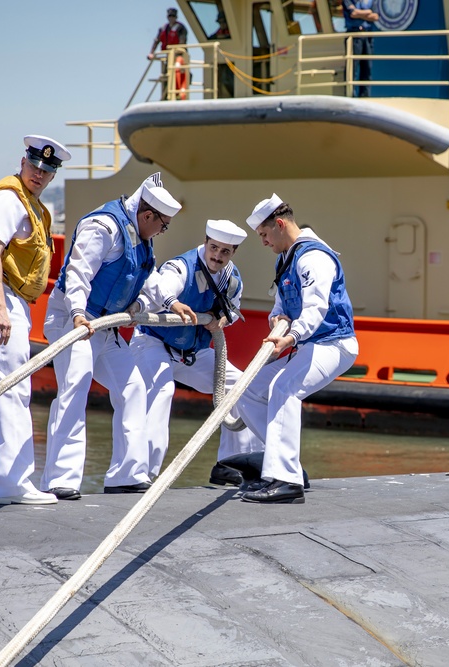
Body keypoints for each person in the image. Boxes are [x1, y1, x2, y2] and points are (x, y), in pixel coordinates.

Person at [41, 173, 195, 500]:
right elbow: (79, 272)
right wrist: (78, 314)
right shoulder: (104, 227)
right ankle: (59, 479)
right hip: (75, 320)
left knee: (134, 387)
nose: (162, 231)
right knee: (75, 387)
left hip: (105, 326)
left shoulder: (140, 235)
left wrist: (170, 302)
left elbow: (147, 275)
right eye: (163, 225)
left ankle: (126, 474)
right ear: (147, 215)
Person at [234, 194, 359, 504]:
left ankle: (286, 481)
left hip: (334, 344)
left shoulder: (312, 258)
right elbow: (281, 304)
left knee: (284, 389)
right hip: (309, 346)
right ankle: (286, 464)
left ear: (279, 225)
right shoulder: (285, 259)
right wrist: (276, 319)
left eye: (263, 234)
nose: (263, 242)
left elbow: (316, 307)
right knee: (247, 390)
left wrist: (290, 338)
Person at [0, 135, 71, 505]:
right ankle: (15, 483)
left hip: (10, 300)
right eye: (35, 166)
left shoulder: (33, 205)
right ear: (22, 161)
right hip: (1, 298)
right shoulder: (6, 199)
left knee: (1, 393)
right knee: (14, 390)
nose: (39, 174)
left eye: (48, 170)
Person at [129, 219, 260, 486]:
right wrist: (174, 304)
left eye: (225, 251)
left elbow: (232, 310)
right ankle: (142, 475)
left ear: (233, 253)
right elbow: (162, 289)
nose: (217, 255)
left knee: (244, 387)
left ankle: (232, 463)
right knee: (161, 392)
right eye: (214, 247)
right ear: (205, 242)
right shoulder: (181, 267)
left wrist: (220, 319)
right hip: (154, 343)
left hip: (193, 352)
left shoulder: (232, 279)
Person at [148, 7, 189, 100]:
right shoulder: (163, 28)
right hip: (168, 57)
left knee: (178, 73)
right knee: (167, 76)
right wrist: (151, 53)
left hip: (179, 57)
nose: (171, 18)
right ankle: (166, 96)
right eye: (170, 16)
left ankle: (179, 96)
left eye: (173, 16)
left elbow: (182, 41)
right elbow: (157, 40)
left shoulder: (181, 28)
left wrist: (178, 51)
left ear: (176, 17)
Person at [343, 0, 379, 97]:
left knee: (367, 68)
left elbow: (375, 16)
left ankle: (365, 96)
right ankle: (350, 95)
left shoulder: (372, 1)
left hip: (367, 35)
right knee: (352, 67)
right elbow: (353, 14)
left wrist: (359, 13)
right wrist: (367, 12)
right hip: (353, 35)